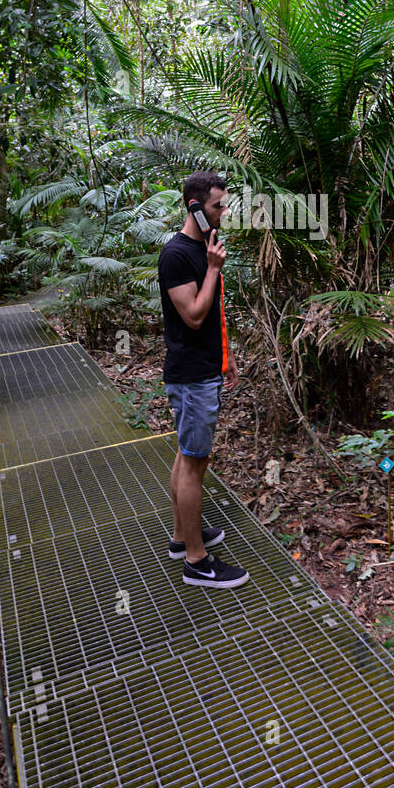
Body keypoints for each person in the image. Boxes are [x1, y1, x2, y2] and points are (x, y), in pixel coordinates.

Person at [157, 171, 248, 587]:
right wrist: (213, 269)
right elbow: (193, 315)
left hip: (205, 369)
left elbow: (213, 315)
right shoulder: (177, 255)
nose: (224, 213)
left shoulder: (202, 246)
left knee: (189, 455)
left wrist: (224, 359)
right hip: (191, 376)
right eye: (217, 206)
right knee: (194, 465)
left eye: (224, 205)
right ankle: (196, 561)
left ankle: (182, 536)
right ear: (195, 207)